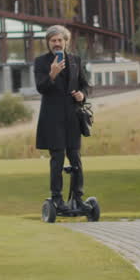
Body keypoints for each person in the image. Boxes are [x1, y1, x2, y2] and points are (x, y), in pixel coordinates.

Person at [34, 25, 91, 212]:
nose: (57, 44)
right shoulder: (41, 62)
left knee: (76, 158)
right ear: (48, 43)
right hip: (52, 119)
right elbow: (41, 88)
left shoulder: (75, 60)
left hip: (73, 117)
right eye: (53, 41)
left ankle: (78, 198)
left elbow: (85, 85)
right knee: (57, 159)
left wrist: (82, 95)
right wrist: (52, 73)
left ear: (66, 41)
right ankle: (57, 199)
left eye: (60, 40)